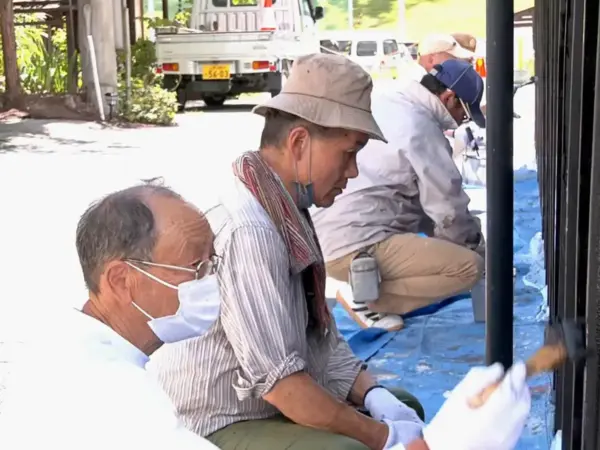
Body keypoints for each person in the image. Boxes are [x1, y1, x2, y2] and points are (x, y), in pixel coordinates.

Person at [146, 53, 526, 450]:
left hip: (264, 399)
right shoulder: (251, 230)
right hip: (218, 418)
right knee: (352, 448)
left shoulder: (286, 205)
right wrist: (383, 436)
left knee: (404, 403)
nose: (354, 171)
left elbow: (320, 338)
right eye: (349, 152)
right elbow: (283, 384)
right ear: (298, 143)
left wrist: (374, 395)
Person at [0, 183, 221, 450]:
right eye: (197, 267)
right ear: (121, 281)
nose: (211, 279)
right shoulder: (113, 390)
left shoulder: (62, 346)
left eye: (213, 261)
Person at [312, 58, 486, 331]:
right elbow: (448, 209)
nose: (463, 120)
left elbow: (423, 206)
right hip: (355, 244)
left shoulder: (389, 99)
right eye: (464, 112)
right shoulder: (422, 128)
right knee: (469, 268)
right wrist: (473, 242)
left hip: (320, 232)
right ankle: (370, 299)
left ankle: (367, 288)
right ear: (449, 97)